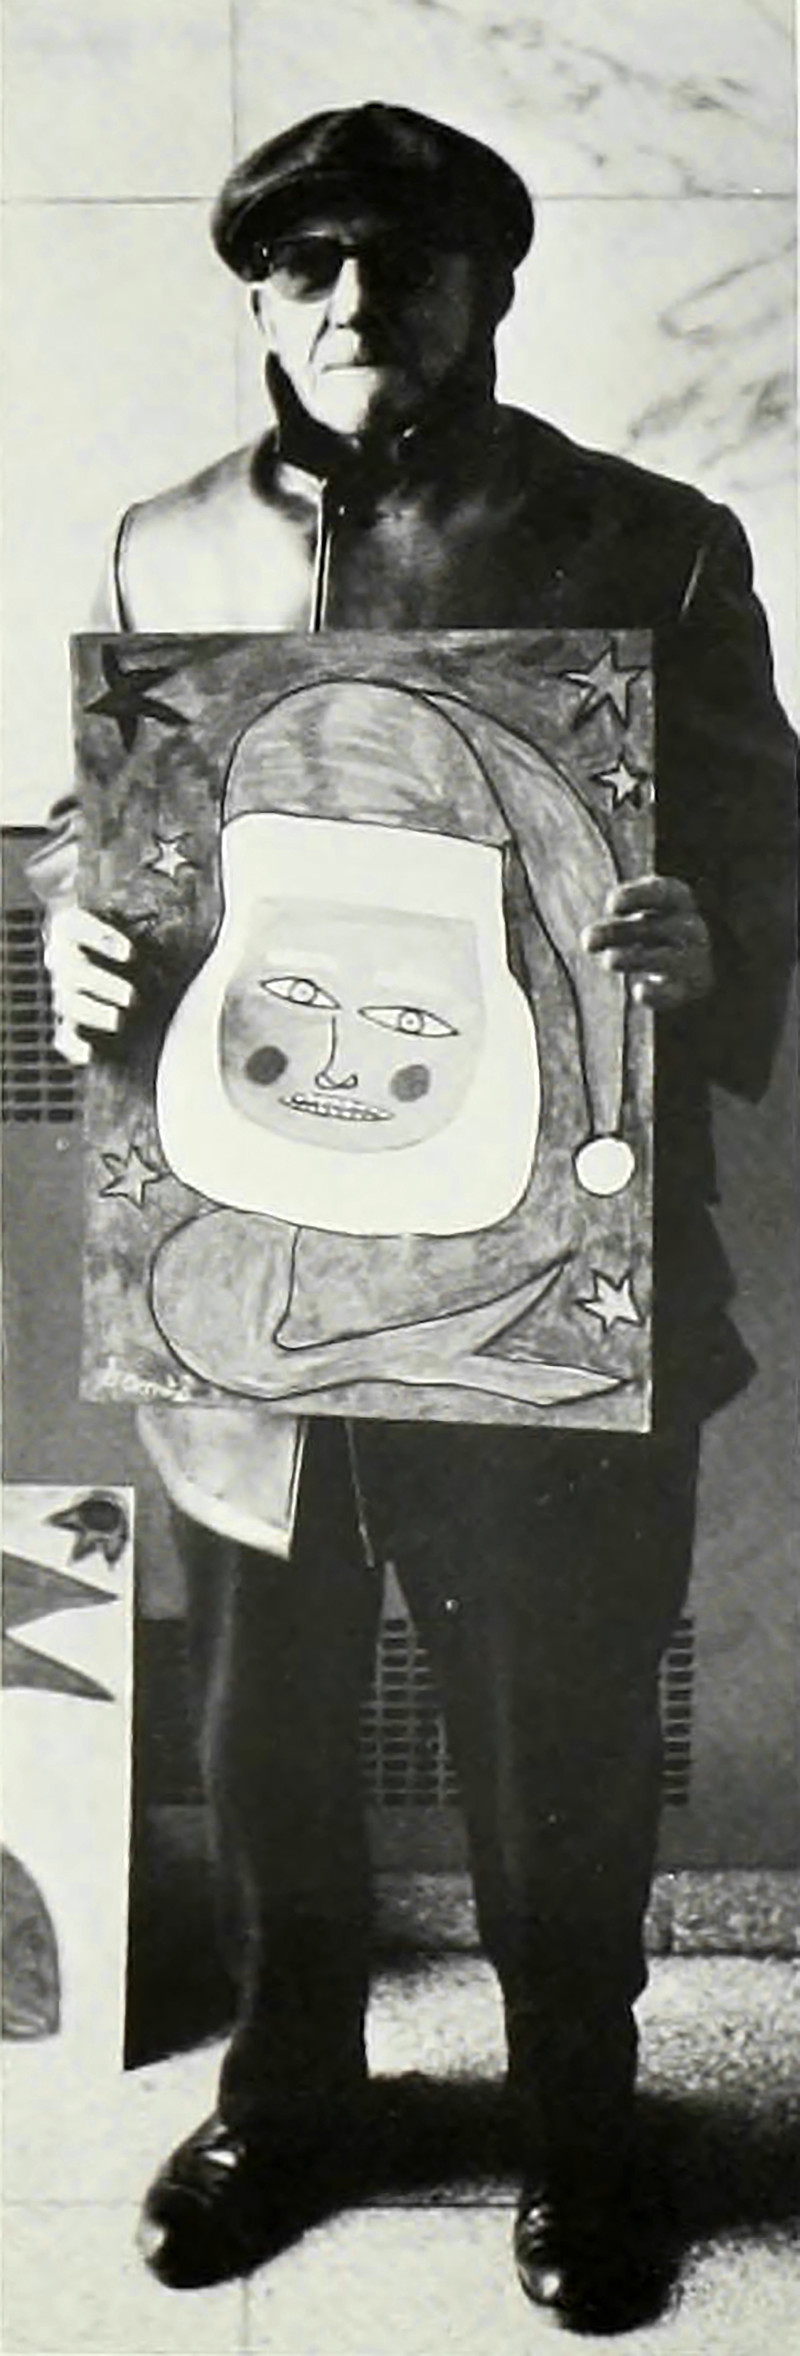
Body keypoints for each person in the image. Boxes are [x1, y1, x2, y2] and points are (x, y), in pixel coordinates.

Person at [36, 102, 796, 2334]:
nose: (358, 300)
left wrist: (708, 941)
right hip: (248, 1270)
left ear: (489, 287)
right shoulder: (162, 538)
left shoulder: (651, 539)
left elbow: (769, 844)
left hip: (541, 1266)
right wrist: (80, 935)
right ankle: (287, 2099)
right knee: (263, 1724)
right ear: (260, 297)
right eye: (311, 264)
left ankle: (584, 2119)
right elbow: (124, 843)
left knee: (558, 1721)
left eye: (409, 259)